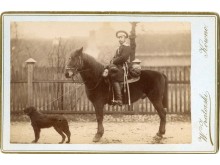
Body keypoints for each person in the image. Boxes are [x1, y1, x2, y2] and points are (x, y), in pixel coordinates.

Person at [108, 30, 132, 106]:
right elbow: (115, 57)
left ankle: (119, 99)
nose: (119, 39)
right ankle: (111, 97)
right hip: (117, 66)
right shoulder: (119, 47)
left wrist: (114, 61)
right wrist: (112, 61)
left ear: (125, 38)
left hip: (123, 67)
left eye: (121, 37)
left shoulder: (127, 47)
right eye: (119, 37)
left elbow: (123, 58)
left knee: (114, 77)